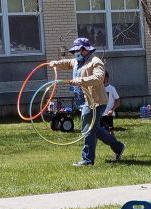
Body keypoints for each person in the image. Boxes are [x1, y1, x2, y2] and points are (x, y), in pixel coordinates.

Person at [49, 38, 125, 166]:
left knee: (87, 129)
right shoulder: (78, 61)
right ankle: (118, 147)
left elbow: (99, 77)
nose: (75, 54)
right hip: (84, 101)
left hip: (95, 101)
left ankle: (87, 159)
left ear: (84, 49)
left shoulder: (95, 62)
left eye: (77, 51)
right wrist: (55, 63)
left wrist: (81, 80)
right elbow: (67, 63)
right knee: (94, 129)